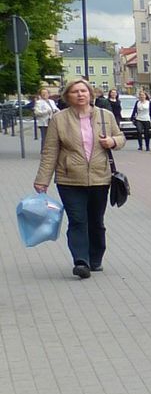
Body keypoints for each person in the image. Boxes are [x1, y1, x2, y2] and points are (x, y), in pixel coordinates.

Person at [32, 78, 125, 278]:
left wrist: (112, 141)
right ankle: (81, 261)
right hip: (69, 179)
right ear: (68, 96)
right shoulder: (59, 119)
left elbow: (121, 137)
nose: (80, 94)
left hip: (100, 178)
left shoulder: (105, 116)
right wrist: (42, 180)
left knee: (96, 221)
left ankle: (96, 257)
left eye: (84, 91)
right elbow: (50, 152)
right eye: (75, 92)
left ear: (91, 94)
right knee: (77, 220)